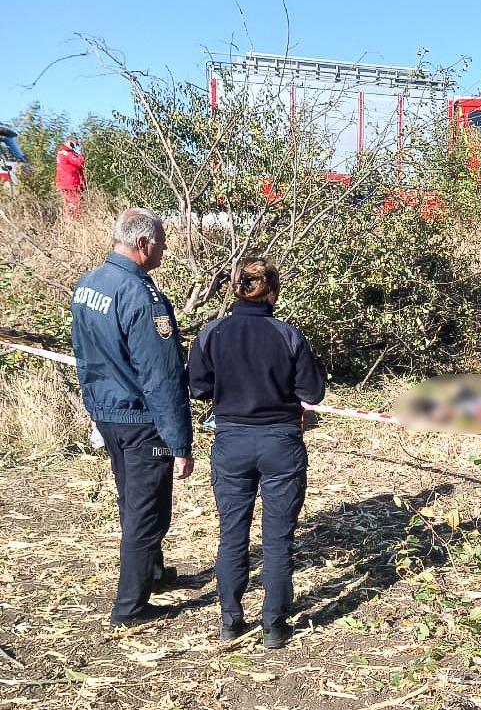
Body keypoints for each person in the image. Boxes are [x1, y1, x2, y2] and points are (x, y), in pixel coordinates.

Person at [188, 259, 325, 649]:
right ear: (273, 290)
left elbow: (197, 387)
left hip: (231, 441)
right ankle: (274, 624)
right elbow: (313, 392)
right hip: (280, 443)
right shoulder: (288, 335)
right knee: (278, 538)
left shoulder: (212, 332)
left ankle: (231, 619)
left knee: (232, 534)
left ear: (235, 289)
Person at [70, 207, 193, 626]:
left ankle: (152, 573)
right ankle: (131, 607)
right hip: (141, 419)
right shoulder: (142, 296)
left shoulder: (89, 284)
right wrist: (180, 443)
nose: (164, 248)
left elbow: (84, 355)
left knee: (131, 498)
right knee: (147, 510)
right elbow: (161, 375)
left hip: (109, 411)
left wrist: (94, 409)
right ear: (142, 244)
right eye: (161, 242)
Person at [56, 137, 86, 219]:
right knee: (76, 205)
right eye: (75, 145)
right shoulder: (67, 153)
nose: (75, 147)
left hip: (65, 183)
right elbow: (80, 162)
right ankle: (75, 223)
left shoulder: (61, 153)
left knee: (68, 206)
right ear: (71, 143)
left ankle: (69, 223)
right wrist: (82, 152)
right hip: (72, 183)